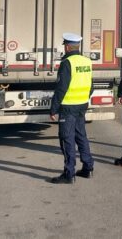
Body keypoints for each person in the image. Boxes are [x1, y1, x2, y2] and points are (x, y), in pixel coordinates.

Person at [49, 32, 95, 184]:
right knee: (81, 136)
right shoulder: (87, 61)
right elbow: (91, 86)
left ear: (67, 47)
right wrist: (84, 99)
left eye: (65, 46)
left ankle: (69, 174)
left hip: (68, 107)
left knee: (67, 138)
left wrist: (53, 109)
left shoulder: (67, 63)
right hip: (81, 105)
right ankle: (88, 168)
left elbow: (61, 88)